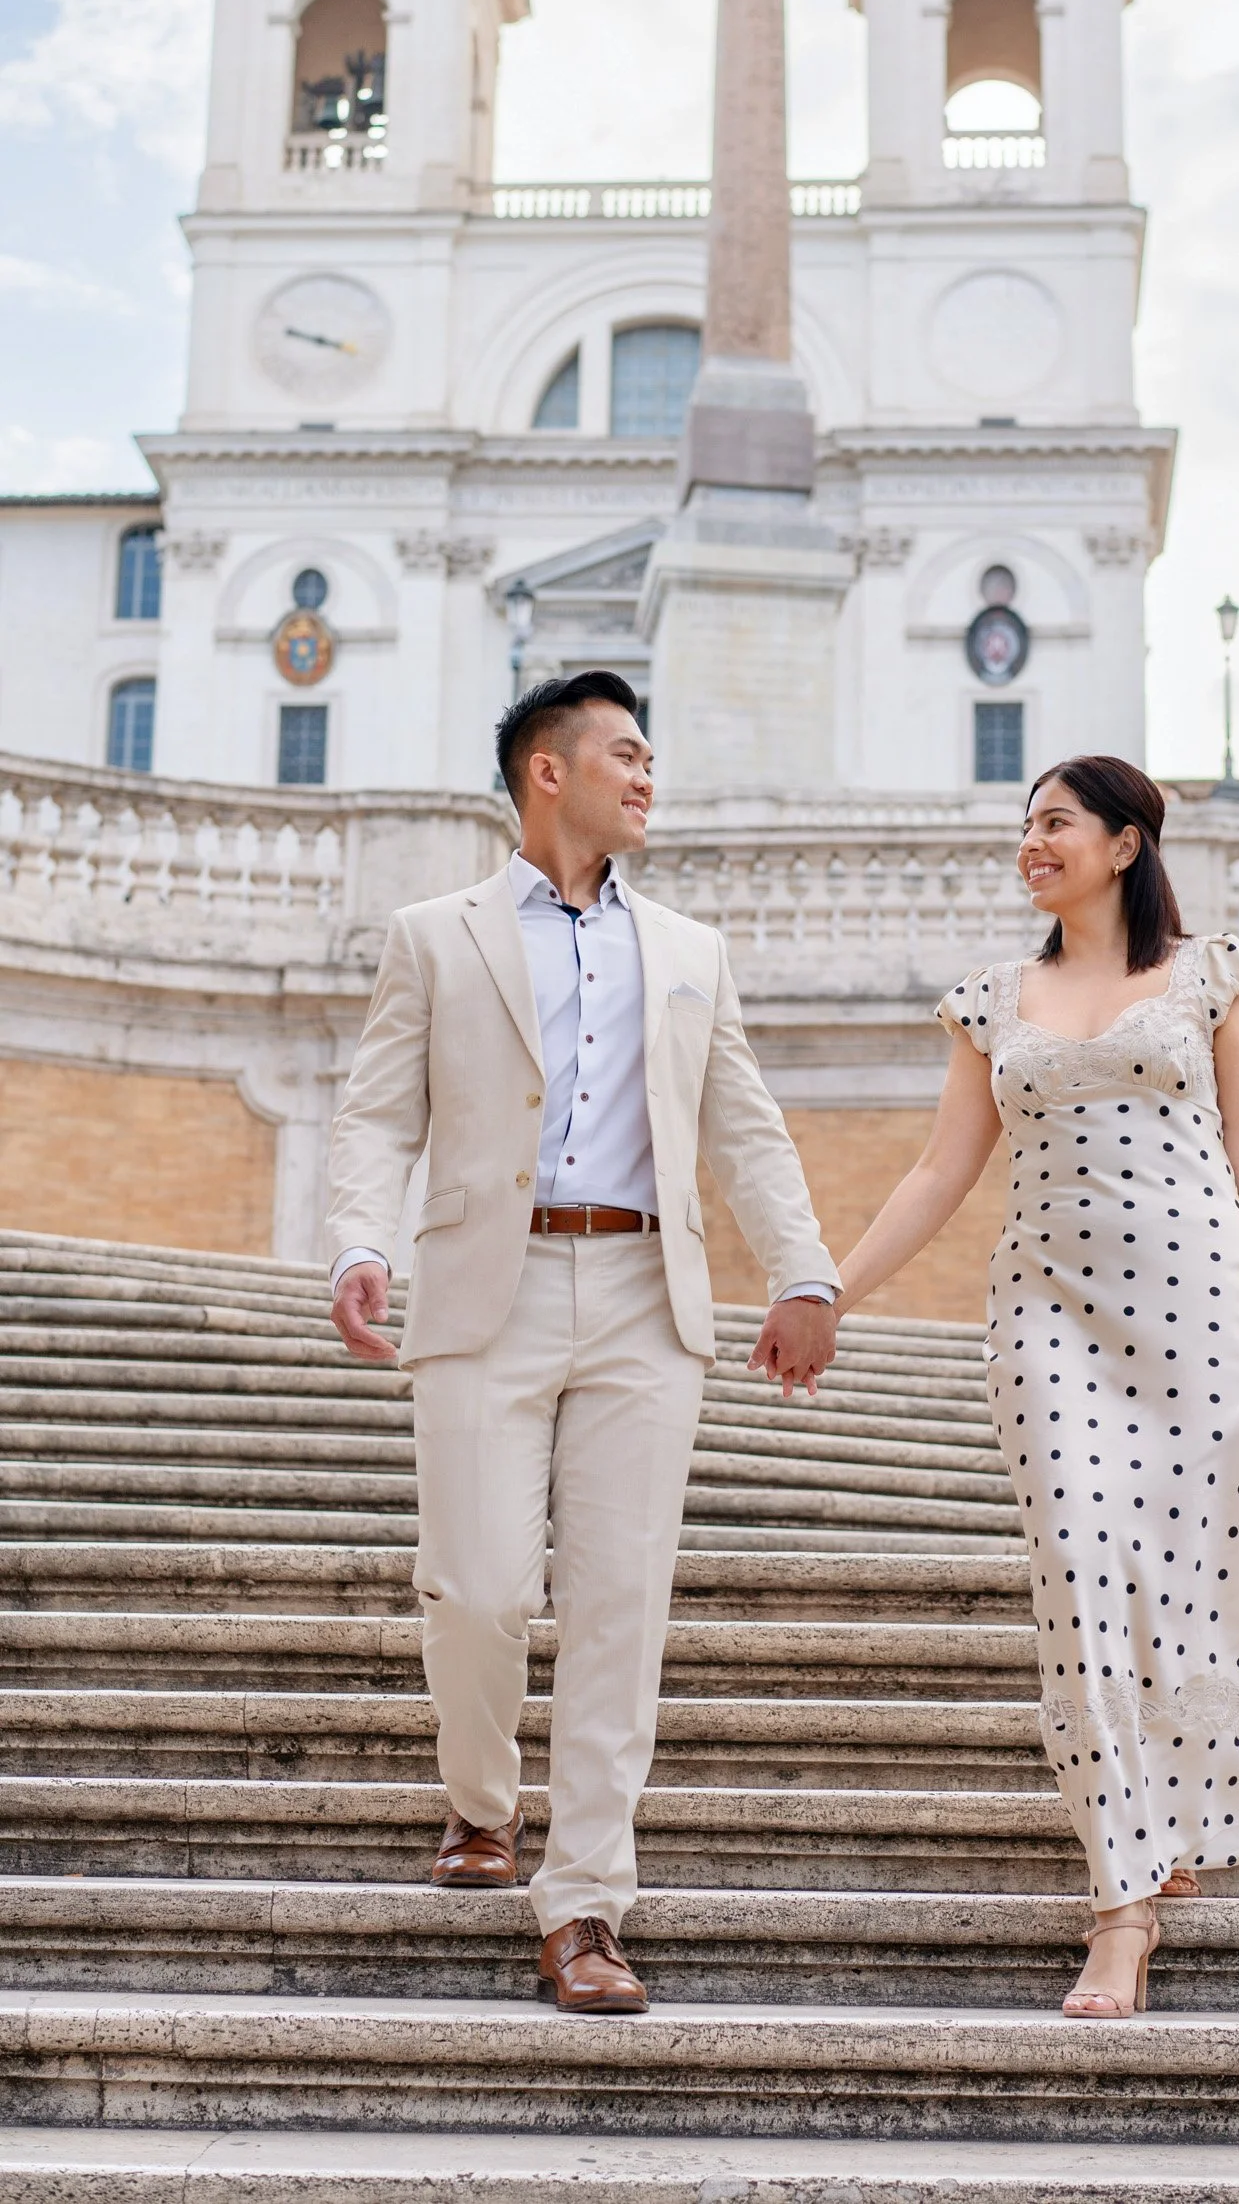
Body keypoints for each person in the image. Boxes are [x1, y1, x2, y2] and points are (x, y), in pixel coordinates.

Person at [326, 670, 839, 2013]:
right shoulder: (434, 937)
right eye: (625, 753)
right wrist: (358, 1241)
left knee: (618, 1608)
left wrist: (802, 1273)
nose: (647, 776)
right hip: (479, 1291)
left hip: (642, 1297)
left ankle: (585, 1909)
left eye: (651, 756)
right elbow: (377, 1113)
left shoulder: (689, 952)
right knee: (478, 1589)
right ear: (547, 771)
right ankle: (480, 1796)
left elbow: (743, 1124)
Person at [834, 754, 1239, 2017]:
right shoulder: (988, 999)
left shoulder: (1215, 975)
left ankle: (1167, 1814)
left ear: (1124, 843)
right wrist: (827, 1293)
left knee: (1189, 1571)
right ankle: (1119, 1909)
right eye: (1025, 824)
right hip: (1045, 1314)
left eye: (1055, 821)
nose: (1031, 841)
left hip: (1201, 1308)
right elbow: (937, 1171)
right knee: (1076, 1566)